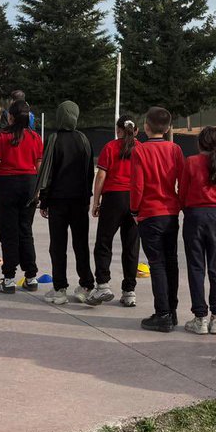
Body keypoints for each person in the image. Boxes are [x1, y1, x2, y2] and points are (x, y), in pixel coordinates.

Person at [130, 107, 185, 332]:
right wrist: (179, 203)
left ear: (146, 126)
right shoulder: (175, 149)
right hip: (170, 212)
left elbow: (137, 185)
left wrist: (134, 210)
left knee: (157, 263)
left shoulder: (140, 151)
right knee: (171, 261)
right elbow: (182, 180)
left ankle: (162, 313)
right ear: (169, 127)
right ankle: (172, 311)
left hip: (150, 213)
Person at [35, 100, 95, 306]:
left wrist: (44, 201)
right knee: (81, 244)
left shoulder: (53, 139)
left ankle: (60, 288)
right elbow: (89, 173)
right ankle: (86, 286)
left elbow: (47, 173)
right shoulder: (83, 139)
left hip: (58, 202)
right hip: (80, 201)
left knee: (58, 246)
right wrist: (87, 197)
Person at [0, 99, 43, 294]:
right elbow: (39, 165)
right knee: (26, 230)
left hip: (9, 185)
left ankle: (9, 279)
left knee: (9, 232)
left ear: (11, 117)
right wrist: (39, 188)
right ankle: (31, 277)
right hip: (30, 184)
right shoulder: (35, 137)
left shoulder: (3, 136)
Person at [180, 126, 216, 335]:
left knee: (196, 267)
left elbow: (182, 192)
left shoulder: (190, 162)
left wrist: (190, 209)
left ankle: (200, 317)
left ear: (199, 143)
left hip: (194, 216)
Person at [90, 117, 141, 307]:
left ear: (118, 130)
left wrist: (96, 201)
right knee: (131, 245)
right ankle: (129, 290)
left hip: (113, 198)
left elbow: (102, 175)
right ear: (136, 131)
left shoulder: (110, 147)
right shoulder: (141, 148)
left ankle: (103, 284)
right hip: (135, 199)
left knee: (104, 242)